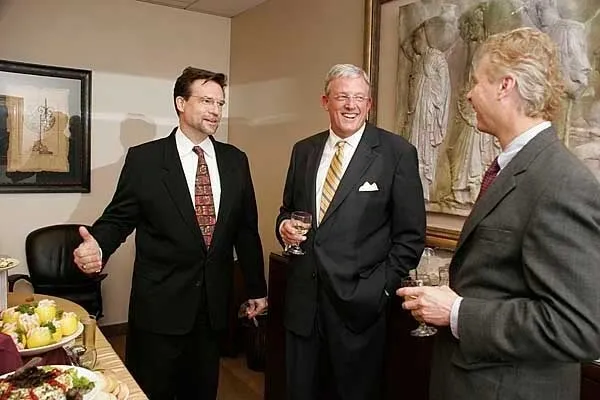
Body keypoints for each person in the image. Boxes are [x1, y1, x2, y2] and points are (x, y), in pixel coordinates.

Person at [397, 27, 600, 400]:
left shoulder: (562, 182)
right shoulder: (513, 167)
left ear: (505, 86)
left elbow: (578, 327)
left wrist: (458, 312)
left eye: (475, 82)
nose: (469, 93)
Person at [72, 67, 268, 400]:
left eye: (220, 103)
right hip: (159, 308)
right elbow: (119, 219)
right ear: (180, 103)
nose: (216, 110)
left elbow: (246, 230)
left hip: (211, 309)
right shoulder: (145, 160)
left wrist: (255, 288)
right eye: (206, 101)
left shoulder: (236, 160)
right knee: (152, 391)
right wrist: (98, 247)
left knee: (202, 391)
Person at [276, 63, 426, 400]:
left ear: (369, 105)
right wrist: (283, 227)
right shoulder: (304, 150)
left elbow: (411, 237)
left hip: (359, 311)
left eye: (359, 98)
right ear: (324, 101)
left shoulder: (396, 153)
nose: (351, 105)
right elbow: (287, 210)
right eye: (342, 97)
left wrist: (378, 290)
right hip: (303, 307)